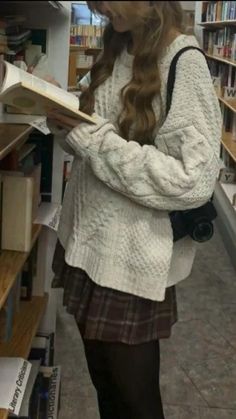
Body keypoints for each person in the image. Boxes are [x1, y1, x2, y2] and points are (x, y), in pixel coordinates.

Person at [48, 1, 221, 418]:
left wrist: (89, 139)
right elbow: (93, 128)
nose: (99, 7)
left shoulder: (184, 61)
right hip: (90, 246)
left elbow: (193, 180)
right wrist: (59, 110)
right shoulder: (118, 46)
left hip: (131, 262)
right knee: (107, 390)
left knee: (135, 403)